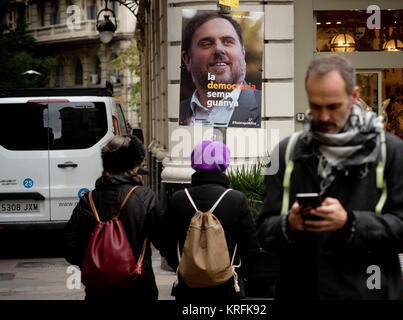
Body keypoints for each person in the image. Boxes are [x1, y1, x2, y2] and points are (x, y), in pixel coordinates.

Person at [257, 55, 403, 300]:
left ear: (354, 96)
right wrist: (288, 224)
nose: (323, 117)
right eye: (315, 106)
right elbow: (263, 232)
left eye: (333, 106)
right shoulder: (286, 153)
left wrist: (351, 223)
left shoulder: (391, 151)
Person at [64, 135, 162, 301]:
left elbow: (69, 244)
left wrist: (94, 265)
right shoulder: (145, 197)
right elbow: (162, 239)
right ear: (134, 165)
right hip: (139, 287)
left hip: (99, 290)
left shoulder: (89, 200)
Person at [159, 140, 260, 300]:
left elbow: (165, 241)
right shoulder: (235, 199)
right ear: (224, 164)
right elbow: (251, 246)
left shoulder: (179, 198)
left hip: (188, 287)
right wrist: (241, 274)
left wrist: (181, 266)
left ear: (194, 163)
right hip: (227, 287)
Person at [179, 11, 261, 128]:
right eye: (206, 43)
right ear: (187, 59)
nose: (219, 49)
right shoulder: (178, 112)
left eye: (228, 41)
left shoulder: (268, 107)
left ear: (243, 54)